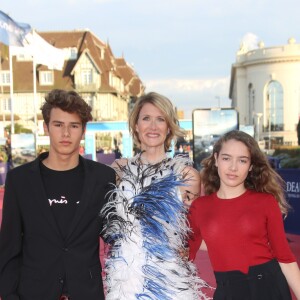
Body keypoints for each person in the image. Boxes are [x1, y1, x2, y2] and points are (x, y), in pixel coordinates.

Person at [0, 89, 116, 300]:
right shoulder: (20, 180)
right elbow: (9, 249)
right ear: (46, 128)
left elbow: (117, 236)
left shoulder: (103, 177)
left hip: (86, 293)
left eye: (73, 126)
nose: (65, 134)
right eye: (58, 125)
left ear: (83, 130)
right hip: (33, 293)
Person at [100, 92, 208, 299]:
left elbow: (193, 231)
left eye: (160, 119)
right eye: (146, 118)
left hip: (171, 279)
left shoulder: (186, 175)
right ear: (136, 126)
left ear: (169, 127)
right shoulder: (118, 170)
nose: (153, 126)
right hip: (125, 280)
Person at [188, 130, 300, 300]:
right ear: (216, 159)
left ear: (251, 166)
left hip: (269, 289)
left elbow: (285, 258)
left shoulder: (265, 202)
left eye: (242, 160)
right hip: (228, 291)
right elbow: (185, 252)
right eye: (226, 158)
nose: (233, 167)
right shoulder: (200, 207)